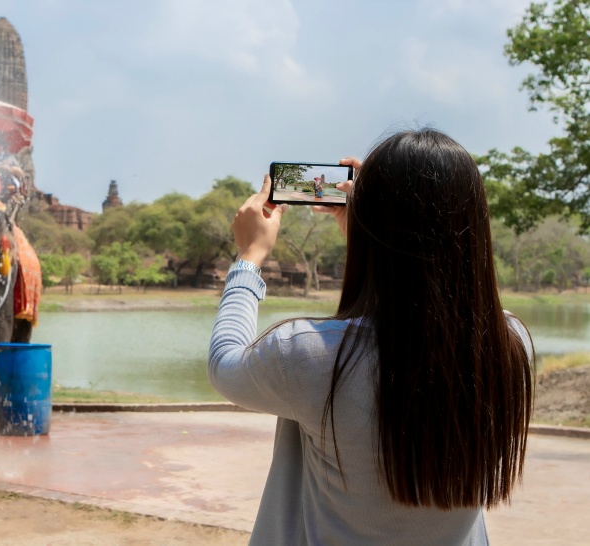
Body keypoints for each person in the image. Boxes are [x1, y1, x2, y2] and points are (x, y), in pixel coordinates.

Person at [209, 128, 535, 545]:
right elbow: (441, 305)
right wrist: (372, 239)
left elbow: (224, 365)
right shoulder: (509, 346)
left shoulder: (311, 354)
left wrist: (249, 258)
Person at [0, 131, 25, 199]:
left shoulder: (9, 157)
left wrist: (10, 169)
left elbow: (21, 174)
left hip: (9, 188)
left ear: (3, 145)